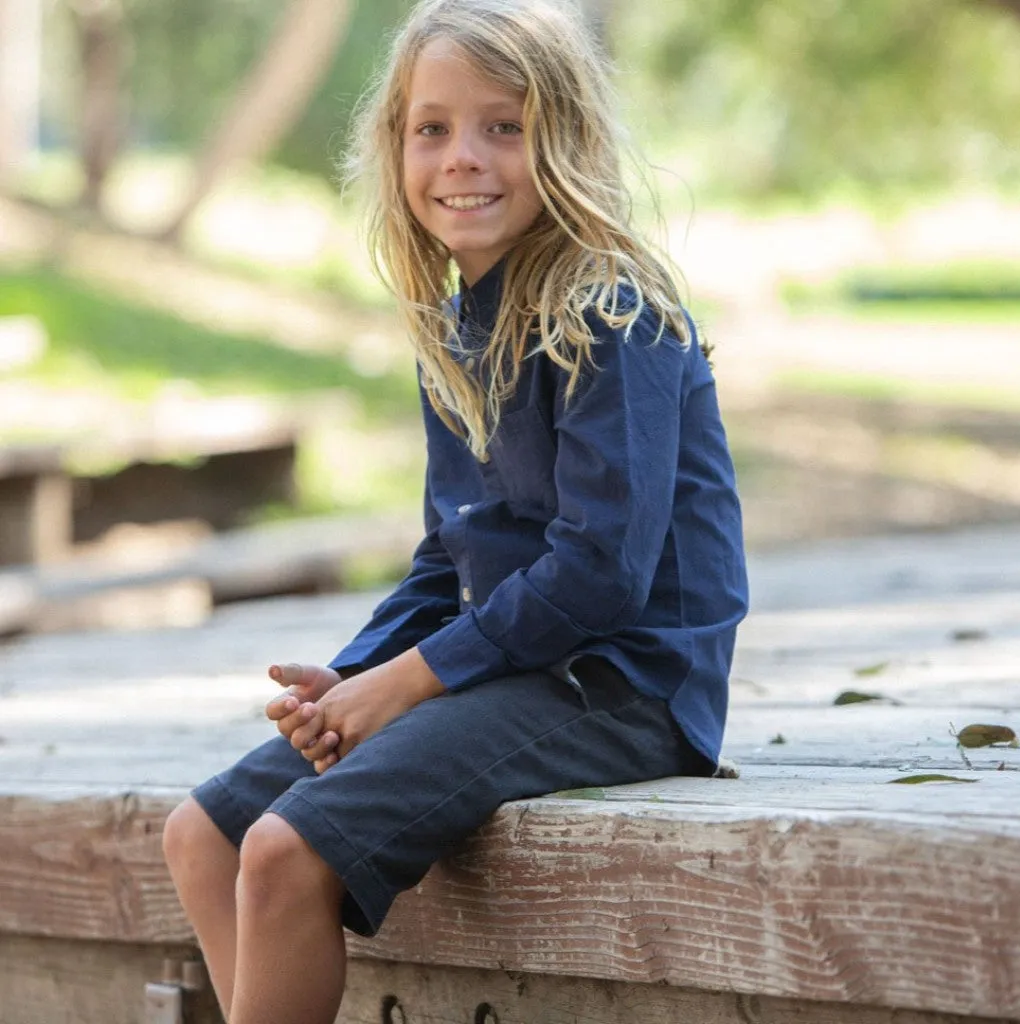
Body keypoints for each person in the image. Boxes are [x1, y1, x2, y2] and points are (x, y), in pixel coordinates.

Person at [161, 1, 748, 1021]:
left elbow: (602, 572)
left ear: (562, 139)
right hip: (517, 663)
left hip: (623, 683)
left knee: (284, 846)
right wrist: (352, 676)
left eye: (503, 127)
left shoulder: (612, 313)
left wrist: (405, 685)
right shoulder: (458, 326)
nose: (462, 158)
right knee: (203, 834)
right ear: (393, 149)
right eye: (431, 128)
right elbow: (449, 557)